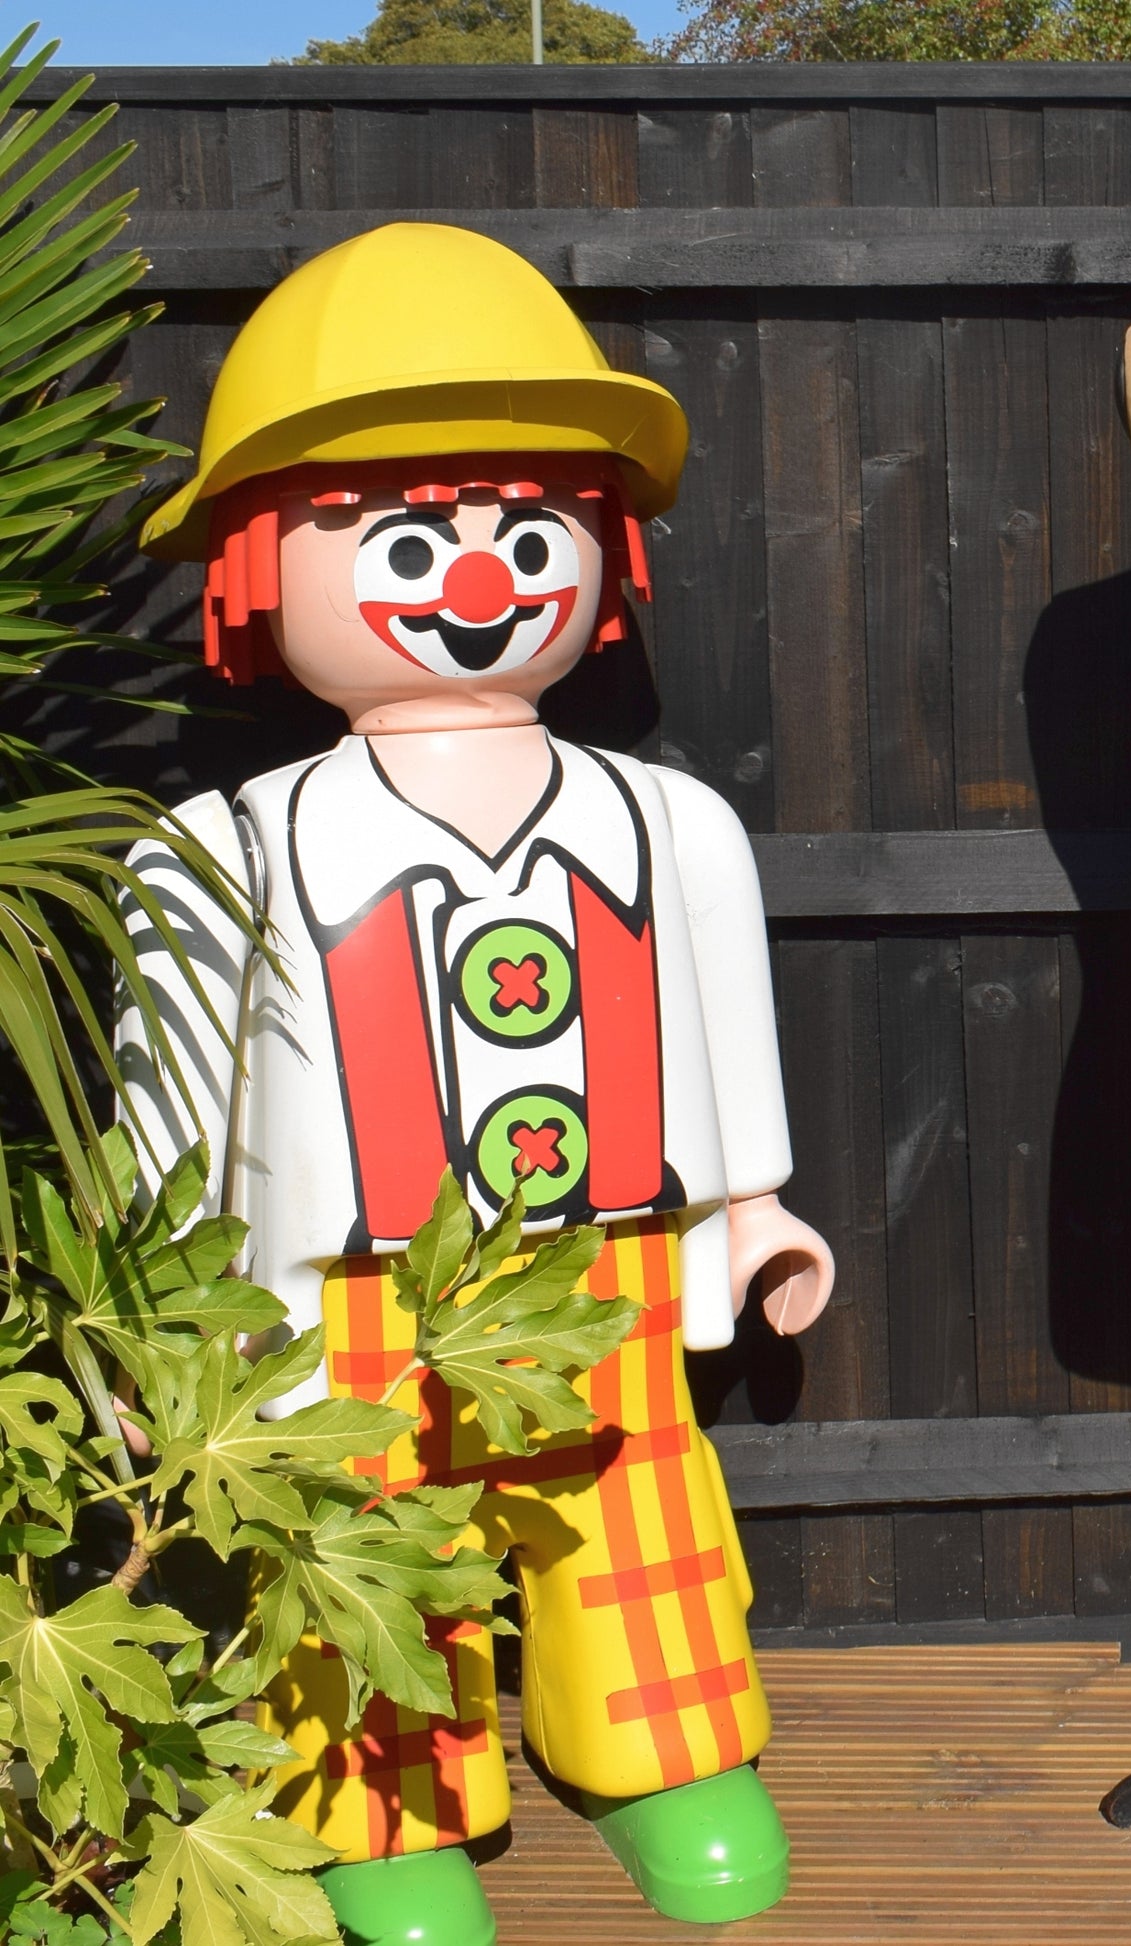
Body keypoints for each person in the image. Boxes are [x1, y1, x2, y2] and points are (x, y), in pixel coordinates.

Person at [115, 221, 833, 1945]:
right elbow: (171, 1108)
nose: (478, 580)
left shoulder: (670, 823)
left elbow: (724, 1028)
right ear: (256, 566)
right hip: (334, 1283)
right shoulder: (216, 851)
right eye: (404, 538)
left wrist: (752, 1209)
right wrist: (156, 1318)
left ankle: (656, 1750)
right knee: (361, 1538)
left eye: (525, 530)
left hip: (606, 1259)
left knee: (632, 1498)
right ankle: (377, 1807)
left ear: (603, 552)